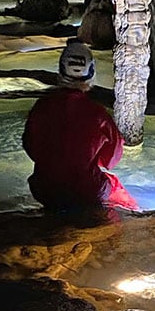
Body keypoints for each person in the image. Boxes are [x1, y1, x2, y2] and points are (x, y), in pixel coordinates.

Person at [22, 39, 139, 212]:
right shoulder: (98, 115)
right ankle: (134, 214)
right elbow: (111, 160)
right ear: (91, 72)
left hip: (44, 189)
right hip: (86, 191)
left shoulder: (41, 107)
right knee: (113, 185)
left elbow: (30, 147)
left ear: (61, 70)